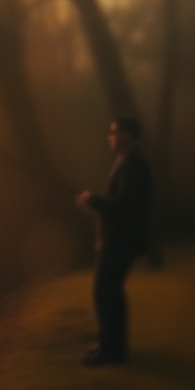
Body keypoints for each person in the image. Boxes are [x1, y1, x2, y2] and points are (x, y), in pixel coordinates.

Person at [75, 117, 151, 366]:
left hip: (121, 240)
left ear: (127, 135)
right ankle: (112, 346)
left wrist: (93, 200)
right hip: (119, 238)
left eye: (114, 132)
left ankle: (112, 351)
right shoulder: (128, 161)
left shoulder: (133, 164)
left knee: (106, 292)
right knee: (110, 292)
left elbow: (125, 204)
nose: (111, 137)